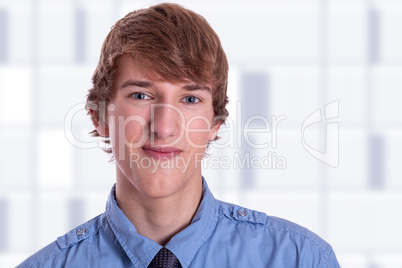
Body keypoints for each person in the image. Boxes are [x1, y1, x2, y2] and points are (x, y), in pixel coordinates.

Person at [18, 3, 340, 268]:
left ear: (215, 123)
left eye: (189, 99)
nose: (165, 127)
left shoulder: (301, 260)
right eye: (141, 96)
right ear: (100, 117)